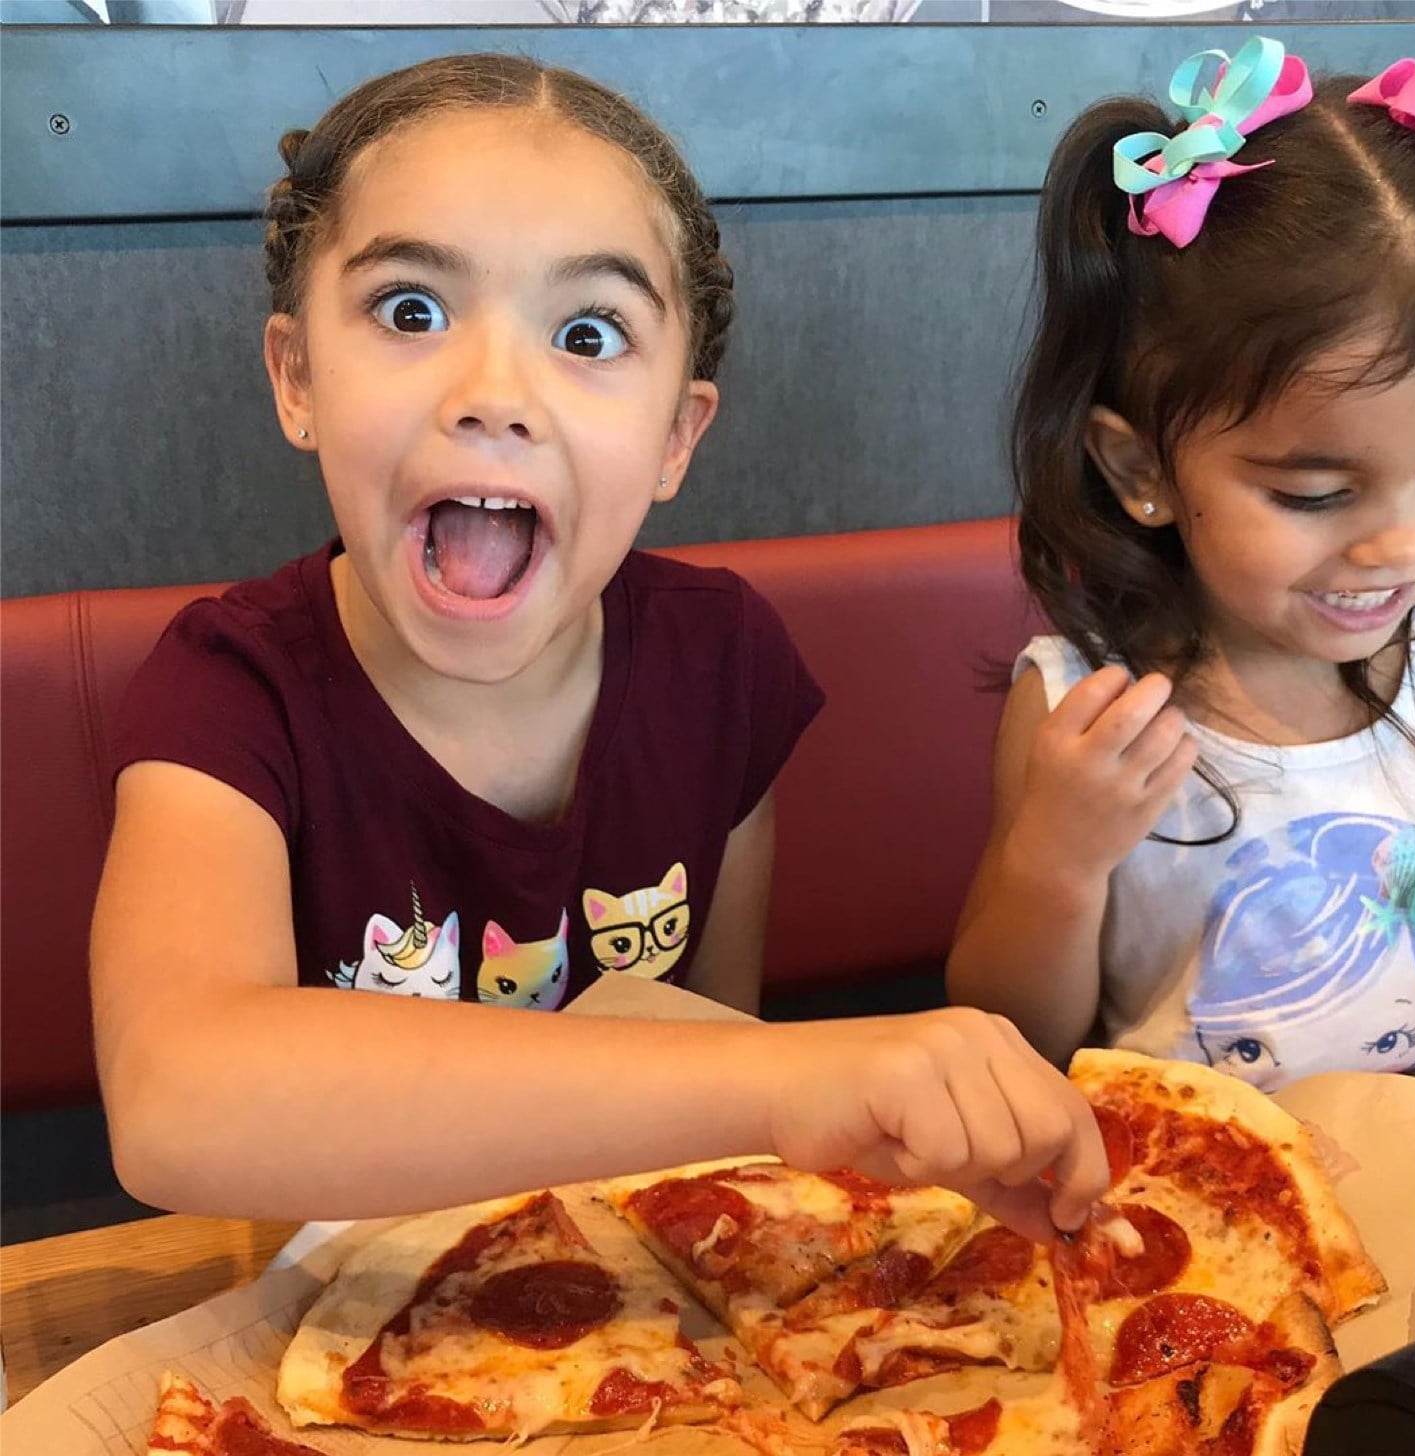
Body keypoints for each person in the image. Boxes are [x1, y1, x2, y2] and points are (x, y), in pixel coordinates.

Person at [91, 53, 1108, 1236]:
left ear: (677, 436)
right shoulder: (227, 692)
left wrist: (775, 1083)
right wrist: (792, 1074)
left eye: (587, 332)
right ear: (297, 375)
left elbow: (714, 1048)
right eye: (412, 310)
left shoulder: (719, 665)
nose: (494, 392)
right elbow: (173, 1103)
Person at [948, 39, 1415, 1090]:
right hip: (1198, 1166)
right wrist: (1056, 861)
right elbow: (1011, 1042)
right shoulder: (1085, 706)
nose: (1403, 544)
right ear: (1141, 469)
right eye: (1314, 495)